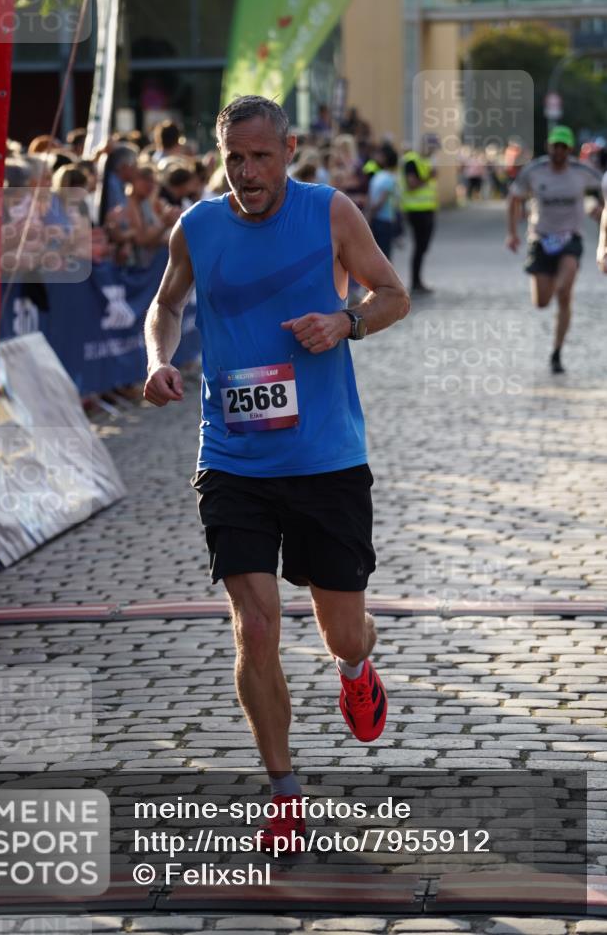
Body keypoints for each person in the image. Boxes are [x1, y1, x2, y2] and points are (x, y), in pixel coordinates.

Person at [143, 95, 410, 849]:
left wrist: (344, 321)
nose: (247, 172)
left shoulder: (330, 213)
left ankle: (356, 673)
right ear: (219, 154)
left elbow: (392, 295)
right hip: (232, 455)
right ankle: (283, 789)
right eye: (234, 158)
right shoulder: (196, 225)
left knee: (342, 631)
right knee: (255, 626)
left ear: (287, 150)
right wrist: (158, 358)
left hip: (325, 457)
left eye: (261, 157)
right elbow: (163, 305)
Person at [507, 125, 604, 374]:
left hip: (571, 238)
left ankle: (557, 352)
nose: (558, 151)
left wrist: (600, 212)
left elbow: (603, 191)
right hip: (541, 238)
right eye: (554, 146)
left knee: (564, 291)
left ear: (569, 149)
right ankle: (556, 293)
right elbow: (514, 197)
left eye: (563, 147)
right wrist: (512, 233)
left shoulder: (582, 172)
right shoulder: (534, 171)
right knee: (541, 301)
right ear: (548, 147)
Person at [400, 134, 439, 293]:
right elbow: (411, 185)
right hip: (415, 210)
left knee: (423, 247)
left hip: (428, 209)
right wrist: (429, 177)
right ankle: (415, 281)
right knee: (419, 246)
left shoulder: (426, 161)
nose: (434, 151)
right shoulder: (411, 160)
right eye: (432, 147)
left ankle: (417, 280)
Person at [366, 143, 400, 260]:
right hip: (378, 219)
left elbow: (380, 201)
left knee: (383, 255)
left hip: (384, 221)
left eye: (379, 155)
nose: (375, 157)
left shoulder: (388, 177)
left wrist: (369, 215)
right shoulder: (378, 175)